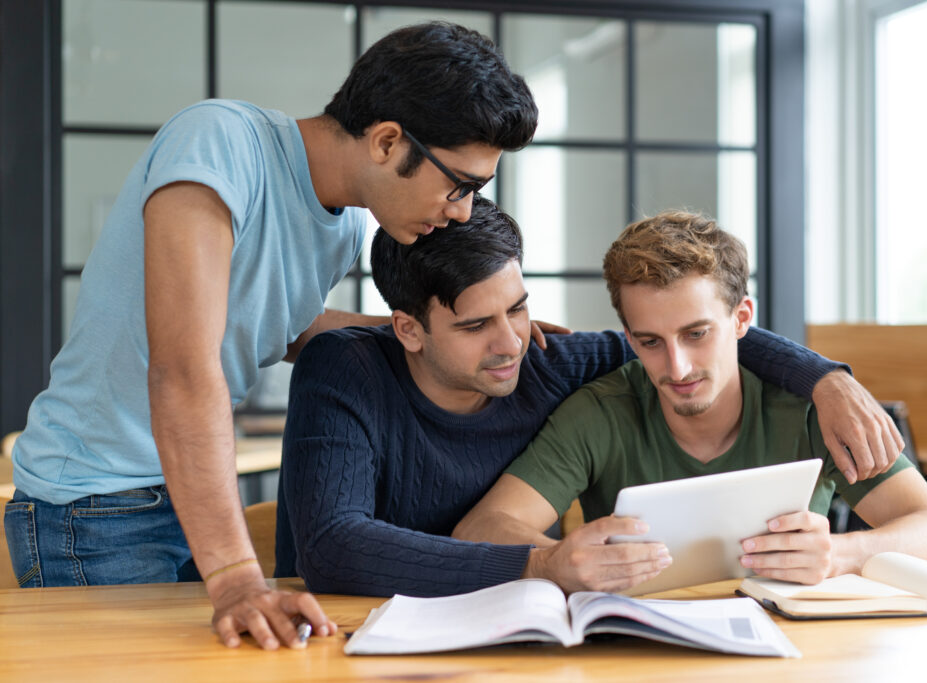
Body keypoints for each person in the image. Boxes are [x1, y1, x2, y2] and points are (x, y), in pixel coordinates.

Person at [4, 22, 539, 650]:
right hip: (95, 504)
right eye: (460, 185)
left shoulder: (341, 231)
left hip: (192, 495)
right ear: (389, 141)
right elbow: (183, 365)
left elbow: (273, 326)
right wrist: (235, 576)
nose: (463, 210)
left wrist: (451, 332)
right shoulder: (221, 141)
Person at [279, 197, 907, 598]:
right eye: (475, 326)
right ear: (409, 329)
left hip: (500, 628)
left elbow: (685, 339)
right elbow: (334, 550)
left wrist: (826, 378)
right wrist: (542, 564)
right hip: (345, 624)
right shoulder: (345, 368)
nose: (511, 344)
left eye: (519, 309)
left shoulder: (551, 362)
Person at [453, 210, 927, 593]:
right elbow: (480, 529)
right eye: (649, 342)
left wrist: (840, 552)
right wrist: (559, 560)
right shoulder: (600, 412)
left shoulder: (808, 411)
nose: (675, 369)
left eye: (697, 333)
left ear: (742, 319)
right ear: (629, 337)